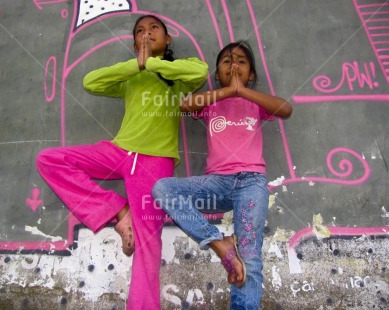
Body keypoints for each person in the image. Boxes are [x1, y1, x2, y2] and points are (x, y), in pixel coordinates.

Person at [36, 14, 208, 309]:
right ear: (133, 43)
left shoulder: (176, 78)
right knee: (50, 160)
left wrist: (151, 63)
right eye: (139, 30)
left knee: (148, 245)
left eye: (154, 28)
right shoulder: (131, 77)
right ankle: (117, 208)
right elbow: (91, 82)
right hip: (118, 151)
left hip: (154, 163)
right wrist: (136, 66)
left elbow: (200, 72)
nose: (146, 33)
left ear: (167, 40)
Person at [152, 40, 292, 309]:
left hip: (251, 183)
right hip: (216, 183)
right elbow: (186, 105)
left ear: (251, 74)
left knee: (250, 257)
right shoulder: (212, 102)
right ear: (217, 74)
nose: (234, 65)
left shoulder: (257, 104)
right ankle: (219, 244)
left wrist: (243, 92)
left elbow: (285, 108)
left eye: (241, 61)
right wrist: (227, 92)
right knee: (163, 189)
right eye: (227, 61)